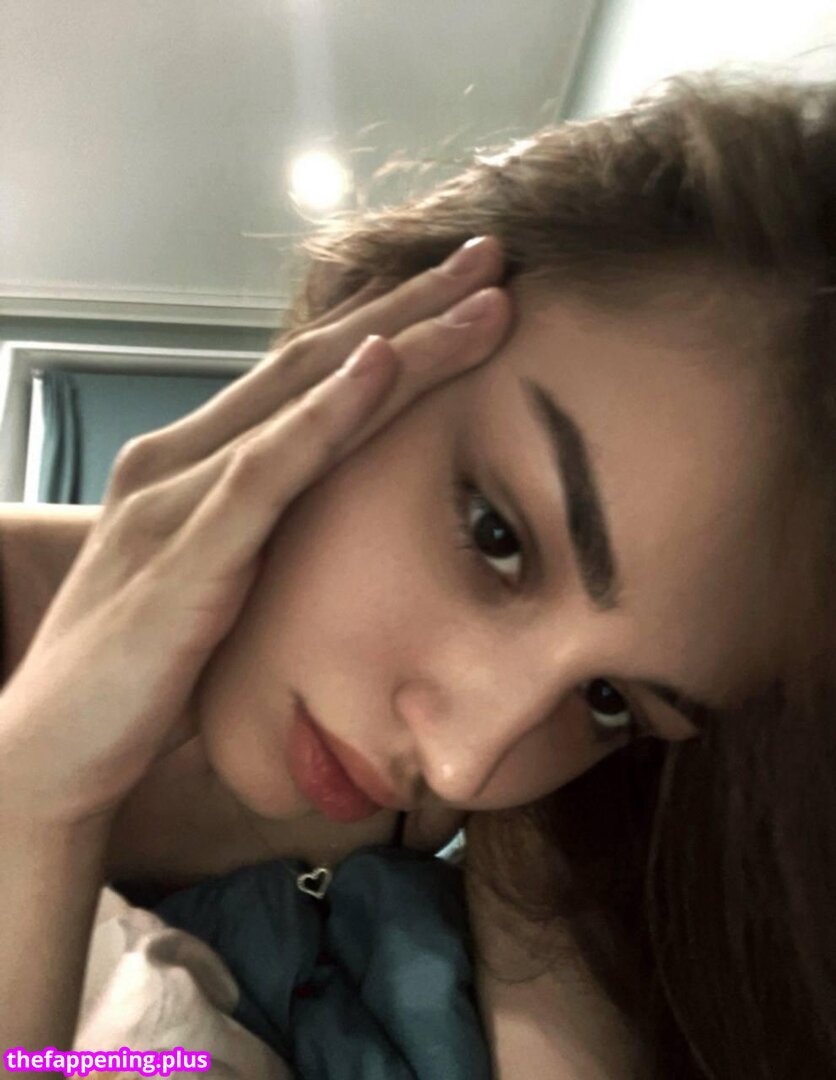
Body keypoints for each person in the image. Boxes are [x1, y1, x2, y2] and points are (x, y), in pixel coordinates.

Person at [1, 69, 835, 1078]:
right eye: (496, 535)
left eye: (609, 700)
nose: (464, 764)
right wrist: (33, 799)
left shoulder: (525, 811)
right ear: (363, 325)